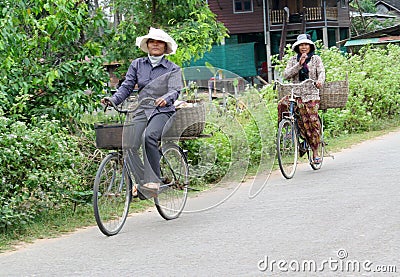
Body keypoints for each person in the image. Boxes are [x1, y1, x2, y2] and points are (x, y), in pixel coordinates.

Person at [101, 27, 183, 196]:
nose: (155, 44)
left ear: (165, 47)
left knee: (149, 136)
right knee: (128, 144)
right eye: (152, 41)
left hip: (163, 111)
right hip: (142, 110)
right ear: (147, 45)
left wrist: (166, 98)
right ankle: (142, 183)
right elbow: (126, 86)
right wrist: (113, 100)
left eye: (159, 42)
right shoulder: (137, 64)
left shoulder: (172, 68)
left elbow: (175, 90)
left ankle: (153, 180)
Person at [277, 33, 325, 164]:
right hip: (296, 93)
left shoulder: (316, 59)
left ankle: (315, 151)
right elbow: (286, 75)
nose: (303, 47)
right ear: (297, 47)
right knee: (282, 105)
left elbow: (321, 72)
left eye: (306, 45)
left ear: (310, 46)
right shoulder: (293, 60)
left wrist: (320, 81)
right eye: (301, 45)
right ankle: (285, 131)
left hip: (311, 94)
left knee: (311, 122)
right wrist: (299, 64)